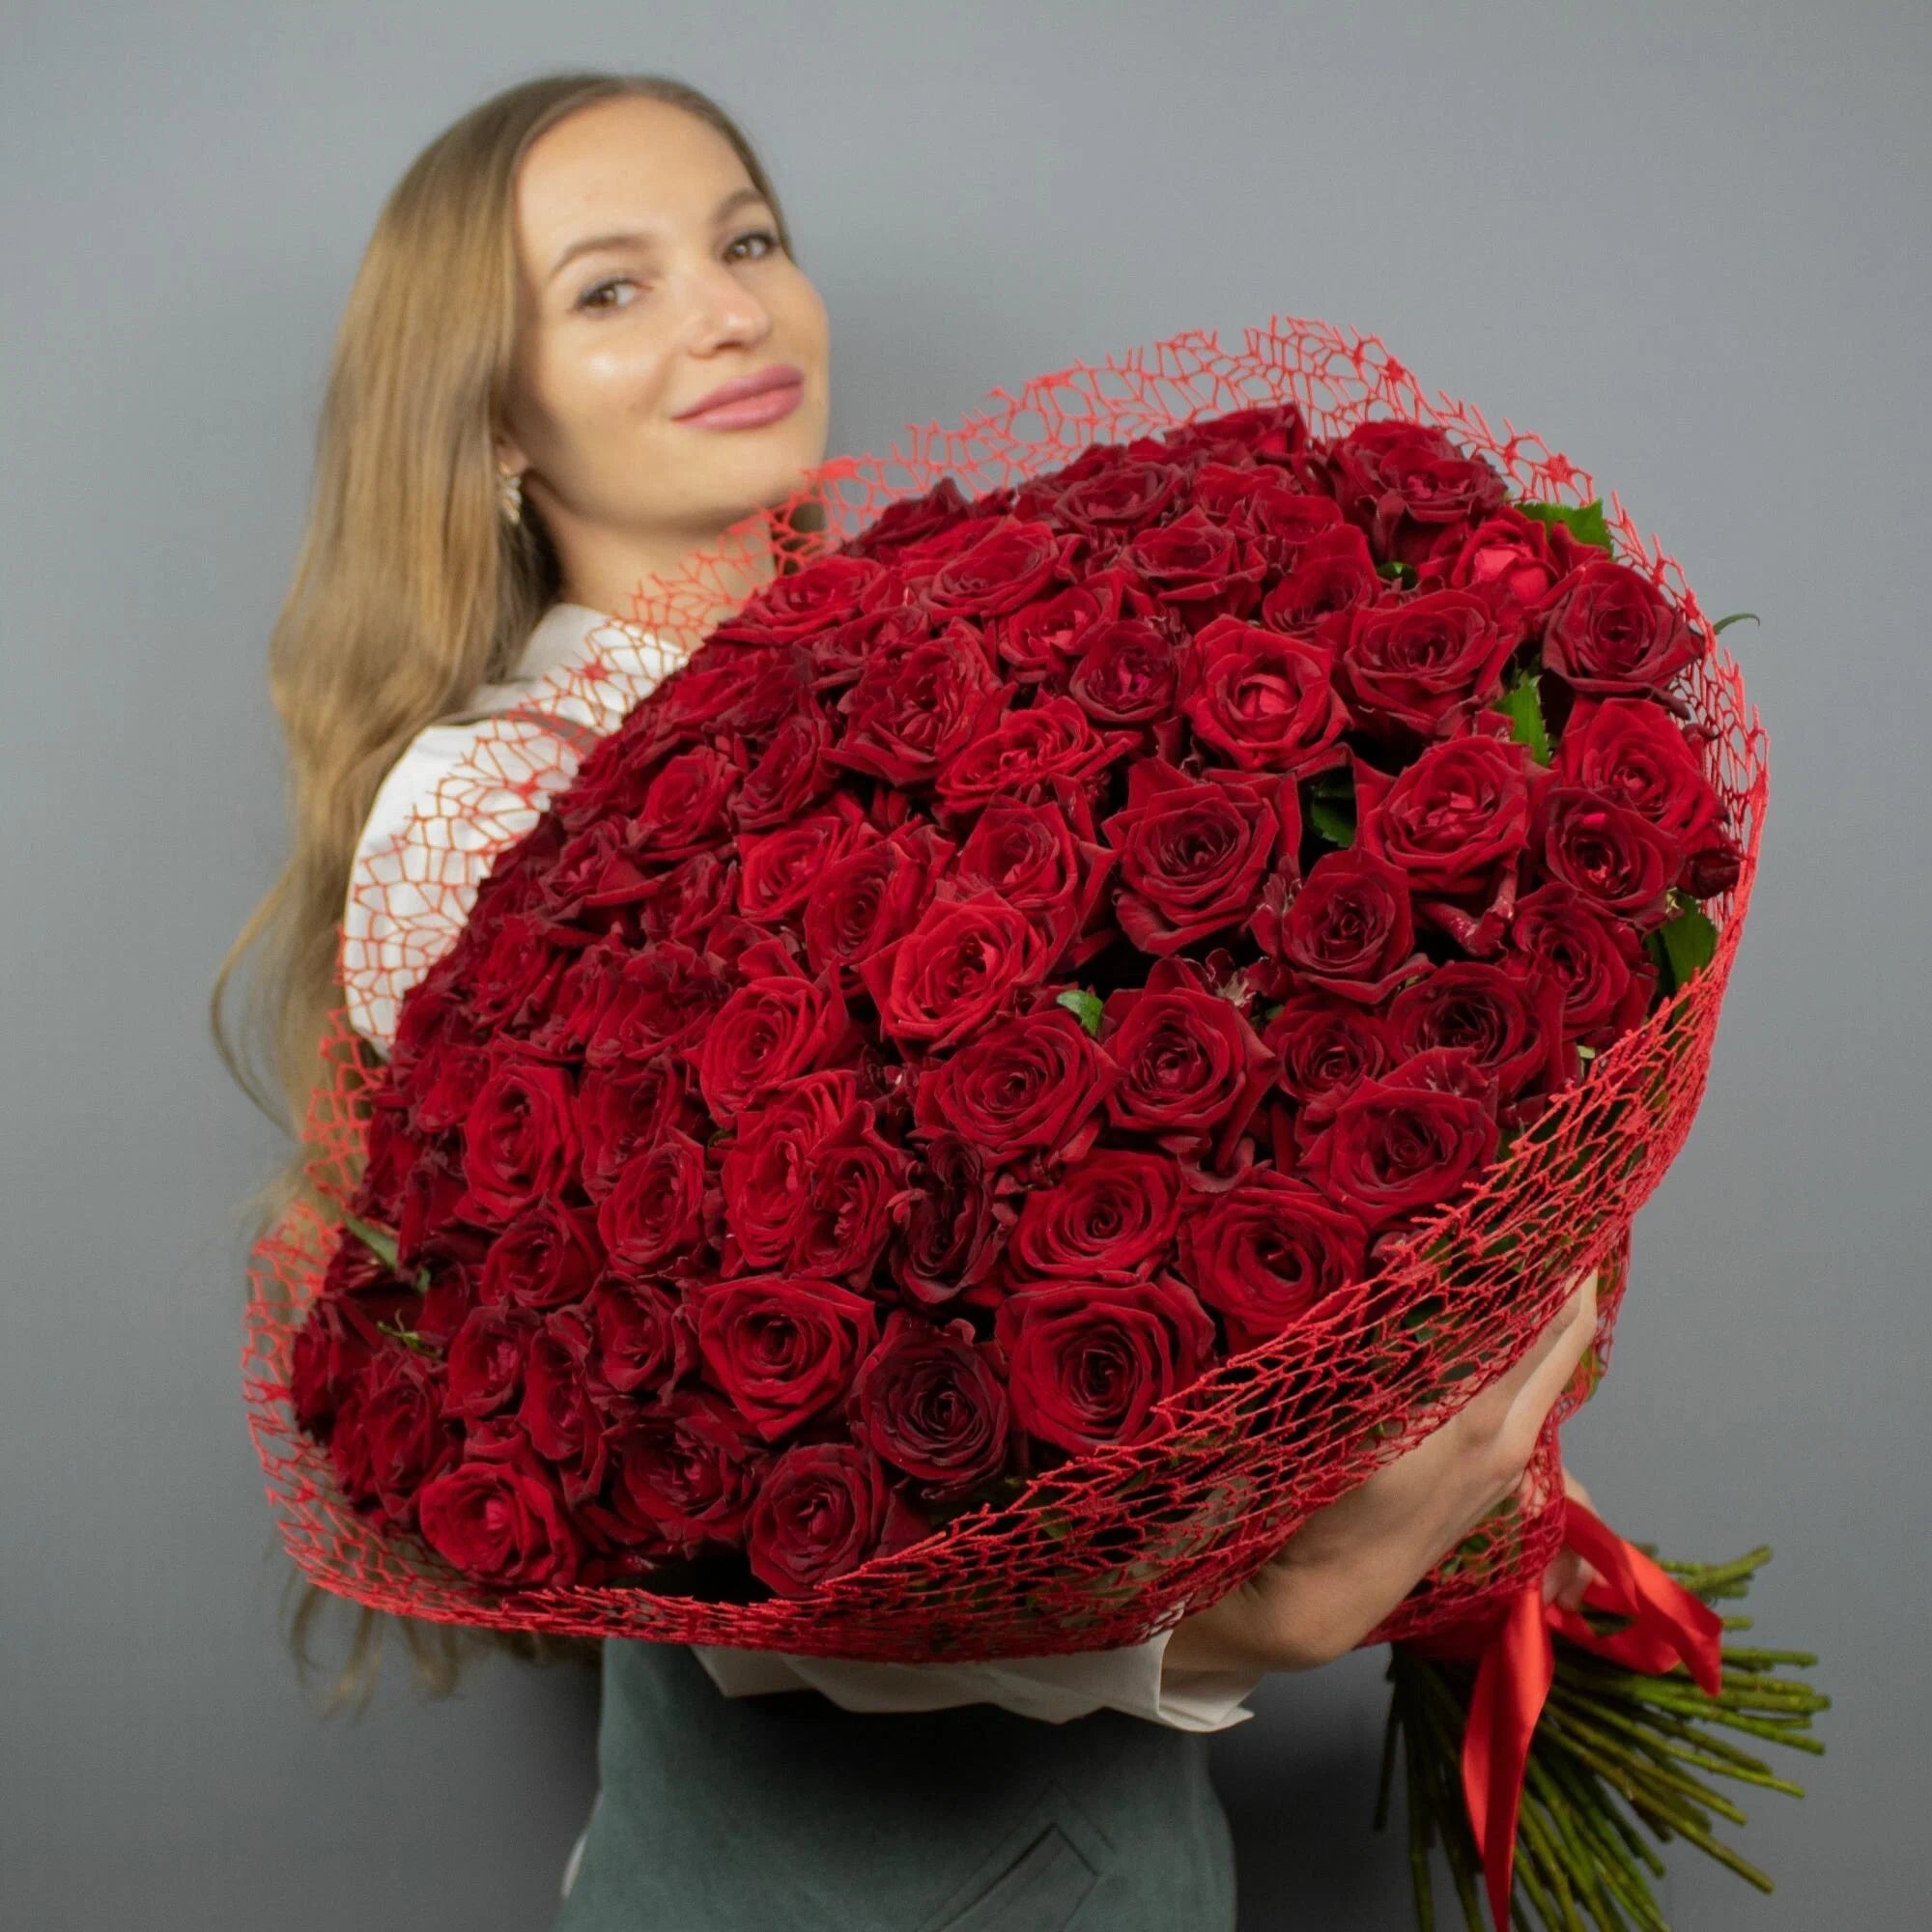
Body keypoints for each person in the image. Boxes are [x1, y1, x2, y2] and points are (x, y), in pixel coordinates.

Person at [214, 70, 1603, 1932]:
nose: (727, 309)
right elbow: (741, 1509)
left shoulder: (913, 668)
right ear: (487, 418)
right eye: (610, 288)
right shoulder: (487, 812)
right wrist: (1266, 1617)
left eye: (748, 240)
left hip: (1112, 1853)